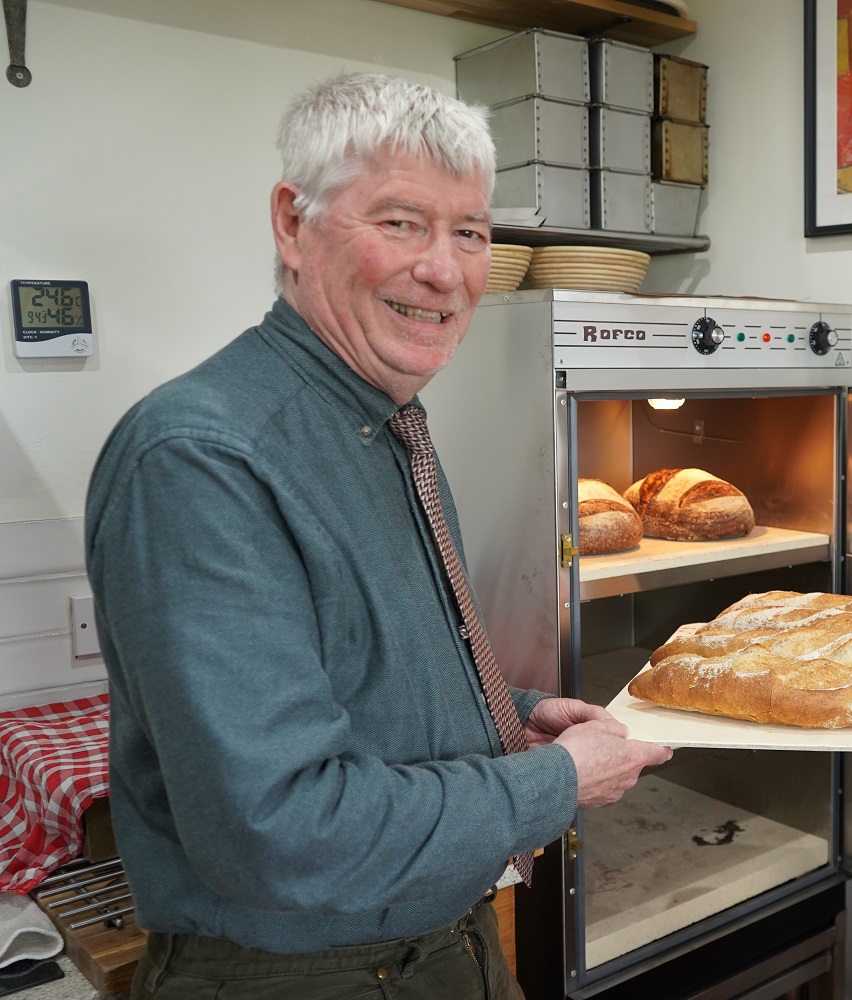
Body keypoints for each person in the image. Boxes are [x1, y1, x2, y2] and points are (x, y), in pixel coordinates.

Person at [84, 72, 671, 999]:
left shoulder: (380, 420)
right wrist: (556, 782)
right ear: (292, 222)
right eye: (401, 222)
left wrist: (504, 711)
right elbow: (281, 831)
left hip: (443, 946)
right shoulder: (202, 460)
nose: (445, 270)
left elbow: (363, 666)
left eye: (470, 232)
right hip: (300, 974)